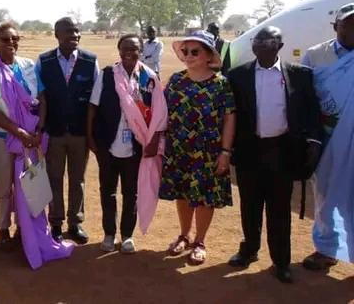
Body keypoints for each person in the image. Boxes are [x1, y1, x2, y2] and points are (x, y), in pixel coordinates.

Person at [227, 26, 321, 283]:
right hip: (249, 151)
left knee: (279, 209)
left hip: (282, 151)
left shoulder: (300, 75)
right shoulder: (237, 76)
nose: (259, 44)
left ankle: (281, 261)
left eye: (266, 40)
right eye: (257, 40)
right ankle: (249, 251)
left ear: (279, 45)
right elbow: (229, 114)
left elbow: (311, 112)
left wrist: (313, 142)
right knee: (250, 206)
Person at [0, 22, 74, 268]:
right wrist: (18, 131)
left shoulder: (29, 66)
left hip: (32, 138)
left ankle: (25, 228)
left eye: (14, 39)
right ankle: (3, 229)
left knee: (30, 183)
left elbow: (41, 98)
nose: (10, 43)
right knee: (4, 185)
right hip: (3, 138)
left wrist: (38, 128)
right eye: (4, 40)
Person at [159, 30, 236, 266]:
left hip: (208, 151)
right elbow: (161, 113)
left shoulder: (221, 84)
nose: (189, 55)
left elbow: (230, 119)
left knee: (205, 198)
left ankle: (200, 241)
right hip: (179, 149)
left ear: (208, 55)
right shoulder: (176, 80)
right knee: (182, 194)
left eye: (195, 51)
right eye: (186, 51)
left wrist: (225, 152)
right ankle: (185, 234)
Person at [87, 34, 167, 254]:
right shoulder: (107, 75)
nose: (129, 52)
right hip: (108, 144)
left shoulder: (149, 78)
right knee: (108, 192)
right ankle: (109, 234)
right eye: (125, 48)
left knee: (132, 192)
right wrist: (91, 138)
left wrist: (154, 141)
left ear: (141, 50)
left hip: (136, 146)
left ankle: (127, 236)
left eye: (134, 48)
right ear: (118, 50)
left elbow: (160, 112)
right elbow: (92, 107)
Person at [300, 2, 354, 271]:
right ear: (336, 26)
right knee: (324, 196)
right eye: (349, 22)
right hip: (328, 138)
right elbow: (304, 98)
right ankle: (326, 249)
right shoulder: (315, 55)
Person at [36, 17, 98, 244]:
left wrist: (93, 134)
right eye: (69, 32)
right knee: (54, 178)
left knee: (77, 179)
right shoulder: (44, 61)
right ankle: (56, 223)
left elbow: (95, 100)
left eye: (77, 32)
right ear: (57, 34)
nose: (75, 36)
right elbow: (39, 96)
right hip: (54, 132)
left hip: (80, 133)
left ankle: (75, 222)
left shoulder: (91, 61)